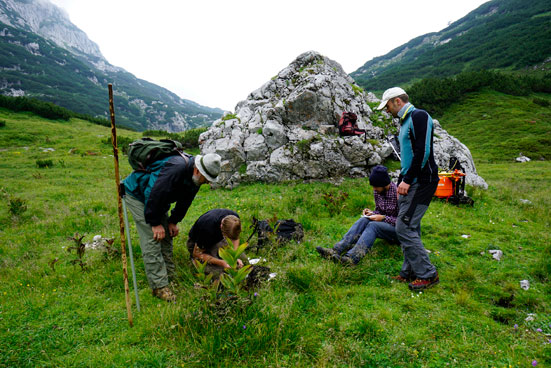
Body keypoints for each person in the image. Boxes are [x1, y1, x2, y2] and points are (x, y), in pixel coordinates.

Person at [123, 152, 222, 302]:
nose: (208, 183)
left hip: (157, 199)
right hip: (137, 194)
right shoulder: (176, 168)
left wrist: (173, 221)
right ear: (197, 170)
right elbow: (153, 193)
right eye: (207, 179)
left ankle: (170, 277)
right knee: (153, 238)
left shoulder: (195, 180)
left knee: (167, 237)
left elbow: (185, 201)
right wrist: (155, 223)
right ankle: (159, 287)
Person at [377, 87, 440, 290]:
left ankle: (428, 275)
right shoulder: (404, 122)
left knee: (403, 226)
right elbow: (408, 156)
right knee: (410, 227)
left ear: (396, 101)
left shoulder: (419, 116)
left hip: (422, 181)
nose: (387, 111)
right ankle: (409, 271)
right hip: (410, 180)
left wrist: (408, 179)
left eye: (387, 106)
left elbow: (423, 152)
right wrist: (401, 180)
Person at [316, 165, 399, 265]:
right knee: (364, 220)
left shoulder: (398, 193)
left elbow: (404, 221)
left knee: (373, 226)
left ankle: (352, 258)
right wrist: (372, 213)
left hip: (399, 231)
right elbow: (380, 211)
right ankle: (335, 250)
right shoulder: (378, 191)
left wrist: (384, 217)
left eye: (376, 187)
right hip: (385, 225)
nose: (374, 189)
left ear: (384, 184)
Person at [187, 208, 248, 279]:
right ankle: (194, 262)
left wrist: (235, 257)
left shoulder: (234, 219)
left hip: (219, 239)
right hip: (199, 244)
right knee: (219, 274)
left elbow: (235, 238)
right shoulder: (207, 228)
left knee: (243, 262)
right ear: (221, 227)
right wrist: (222, 262)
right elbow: (197, 254)